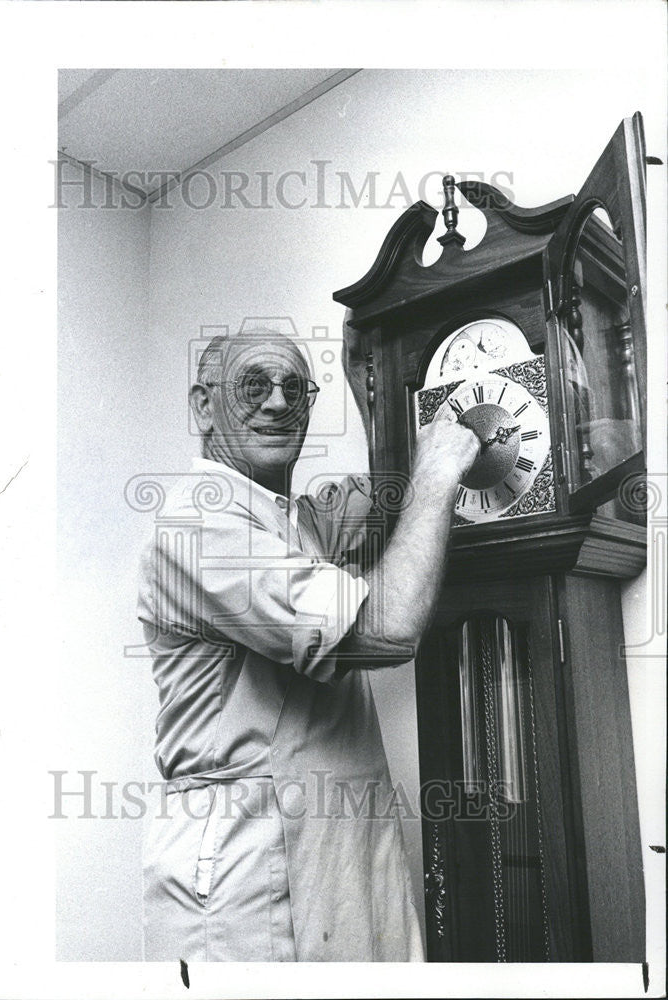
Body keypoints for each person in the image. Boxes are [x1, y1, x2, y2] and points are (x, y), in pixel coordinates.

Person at [136, 316, 479, 962]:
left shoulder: (293, 522)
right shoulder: (199, 519)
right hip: (248, 877)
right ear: (203, 407)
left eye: (296, 390)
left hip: (333, 860)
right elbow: (391, 627)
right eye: (253, 385)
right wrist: (437, 477)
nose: (276, 401)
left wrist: (369, 379)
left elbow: (381, 500)